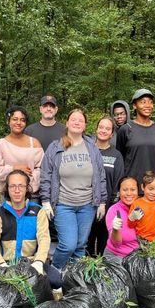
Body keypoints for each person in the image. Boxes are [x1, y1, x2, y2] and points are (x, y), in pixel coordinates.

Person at [40, 108, 108, 269]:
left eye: (81, 120)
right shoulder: (55, 147)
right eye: (73, 119)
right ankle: (54, 273)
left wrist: (102, 201)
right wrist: (45, 200)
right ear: (68, 123)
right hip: (64, 204)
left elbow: (100, 175)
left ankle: (73, 279)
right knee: (68, 244)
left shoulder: (92, 147)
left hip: (87, 205)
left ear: (85, 126)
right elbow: (45, 175)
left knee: (80, 245)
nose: (77, 122)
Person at [0, 170, 61, 290]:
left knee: (55, 280)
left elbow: (44, 239)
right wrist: (1, 264)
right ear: (7, 189)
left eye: (21, 186)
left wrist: (39, 262)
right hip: (7, 263)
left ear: (27, 188)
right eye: (12, 186)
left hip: (31, 263)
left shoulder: (38, 211)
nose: (17, 190)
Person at [87, 115, 125, 256]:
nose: (103, 130)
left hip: (107, 206)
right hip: (86, 205)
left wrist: (111, 206)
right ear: (96, 129)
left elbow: (118, 182)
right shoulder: (87, 150)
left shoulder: (116, 155)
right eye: (101, 127)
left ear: (112, 133)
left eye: (107, 128)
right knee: (87, 242)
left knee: (104, 243)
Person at [0, 105, 44, 199]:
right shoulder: (0, 144)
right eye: (15, 119)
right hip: (8, 195)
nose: (19, 123)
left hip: (31, 195)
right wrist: (14, 168)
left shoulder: (34, 143)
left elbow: (43, 168)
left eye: (22, 120)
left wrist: (28, 181)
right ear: (8, 121)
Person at [116, 88, 155, 192]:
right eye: (143, 102)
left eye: (150, 102)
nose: (148, 105)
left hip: (154, 188)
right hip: (132, 188)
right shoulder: (126, 129)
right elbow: (120, 159)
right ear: (134, 105)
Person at [103, 176, 142, 263]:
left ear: (138, 191)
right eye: (125, 190)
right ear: (119, 192)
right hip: (117, 256)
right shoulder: (113, 211)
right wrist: (115, 229)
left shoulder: (143, 207)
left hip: (140, 256)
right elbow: (116, 244)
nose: (129, 193)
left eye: (132, 190)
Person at [127, 171, 155, 246]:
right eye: (150, 189)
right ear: (143, 187)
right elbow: (130, 225)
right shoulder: (137, 204)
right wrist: (131, 219)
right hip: (142, 241)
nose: (153, 192)